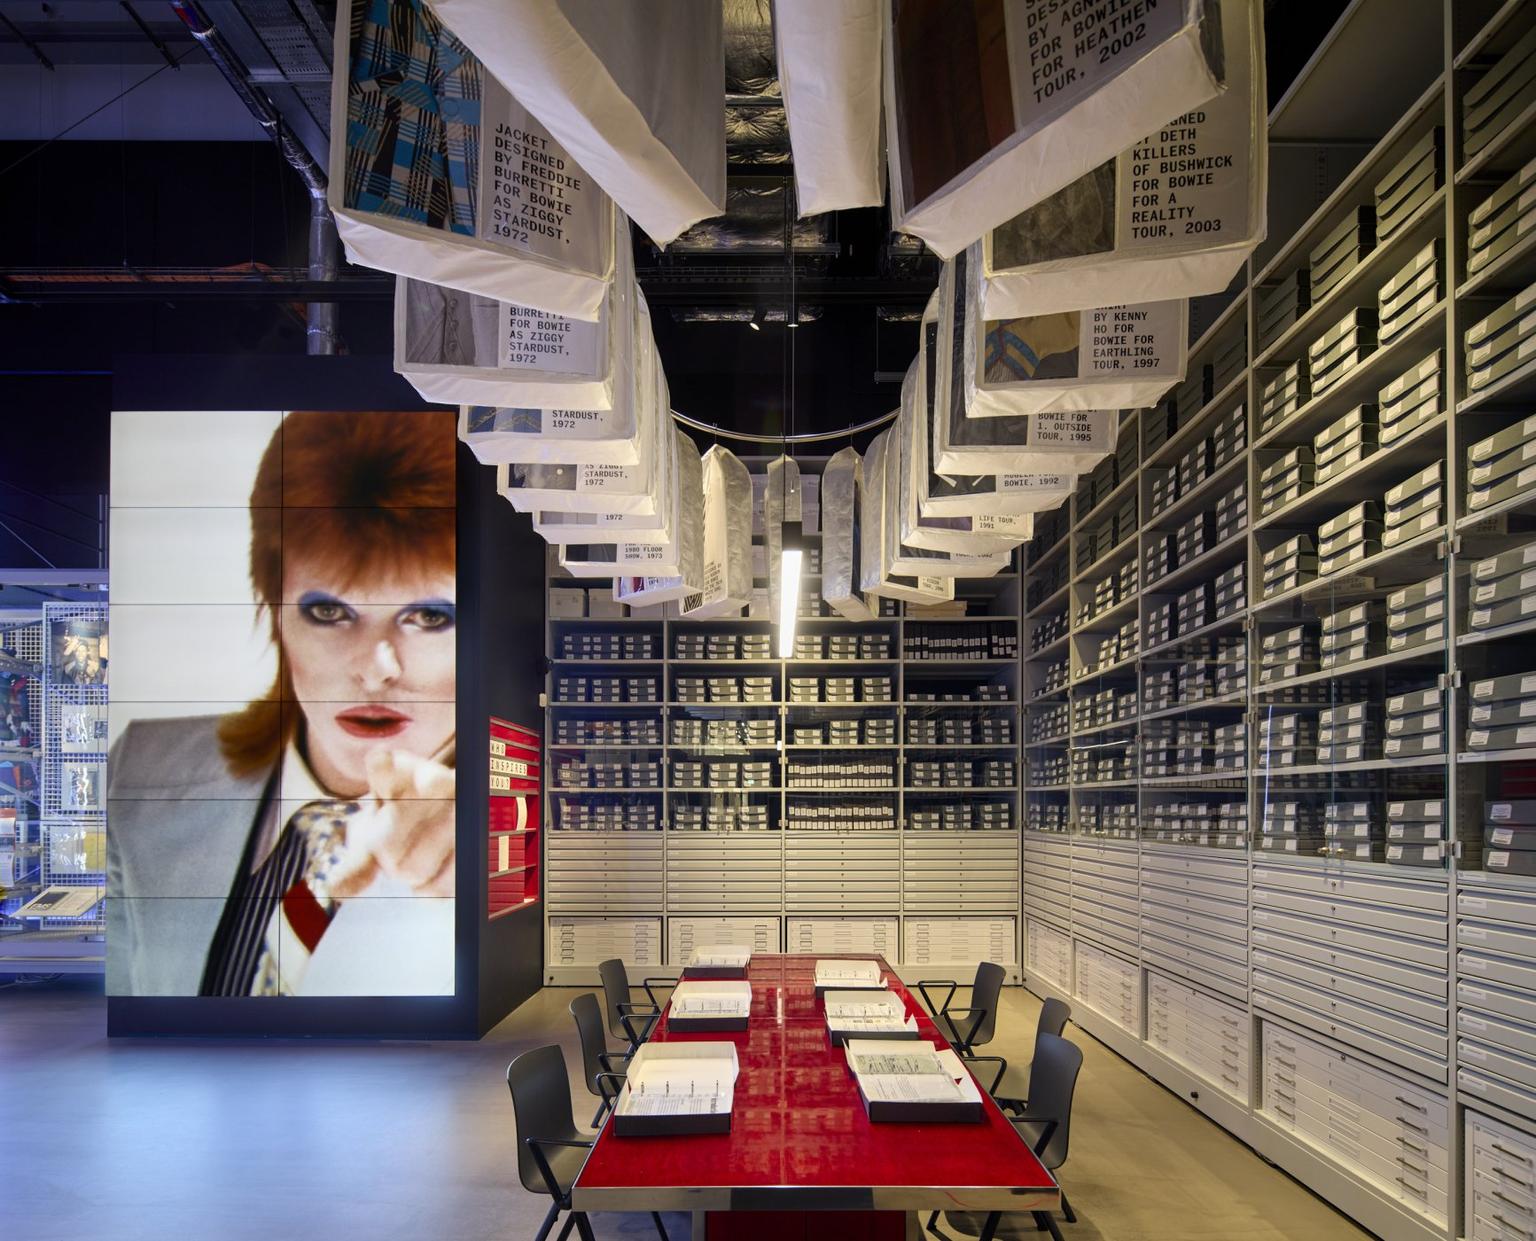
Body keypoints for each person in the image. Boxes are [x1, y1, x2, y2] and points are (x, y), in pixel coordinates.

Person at [107, 409, 458, 997]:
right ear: (273, 609)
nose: (376, 669)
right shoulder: (145, 768)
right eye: (329, 612)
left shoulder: (519, 819)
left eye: (428, 616)